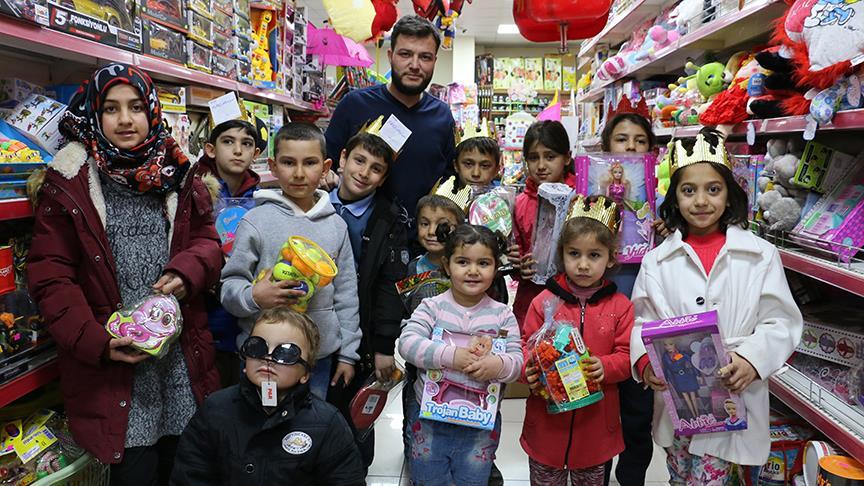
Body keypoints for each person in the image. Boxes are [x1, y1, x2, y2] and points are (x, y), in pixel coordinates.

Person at [26, 63, 222, 484]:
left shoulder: (179, 174)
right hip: (114, 369)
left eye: (135, 106)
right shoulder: (69, 183)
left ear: (152, 111)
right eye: (111, 109)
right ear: (94, 115)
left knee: (186, 467)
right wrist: (97, 342)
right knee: (134, 471)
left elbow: (207, 242)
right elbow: (50, 276)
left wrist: (187, 272)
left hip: (180, 361)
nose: (126, 119)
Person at [630, 127, 803, 484]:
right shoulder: (657, 261)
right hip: (680, 395)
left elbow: (780, 322)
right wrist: (645, 361)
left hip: (733, 393)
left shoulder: (760, 254)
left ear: (729, 194)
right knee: (680, 474)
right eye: (688, 190)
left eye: (713, 189)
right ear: (674, 198)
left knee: (714, 475)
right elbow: (640, 321)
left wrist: (752, 360)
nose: (701, 201)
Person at [220, 123, 361, 400]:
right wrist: (254, 296)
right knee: (258, 432)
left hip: (317, 358)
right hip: (262, 356)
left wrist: (348, 354)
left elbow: (346, 294)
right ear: (272, 166)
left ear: (325, 166)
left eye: (309, 163)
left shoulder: (336, 226)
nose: (298, 173)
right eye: (288, 162)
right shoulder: (255, 221)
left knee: (308, 433)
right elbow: (229, 285)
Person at [171, 307, 365, 485]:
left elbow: (346, 480)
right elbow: (190, 475)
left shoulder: (327, 423)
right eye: (257, 347)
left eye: (286, 353)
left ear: (306, 373)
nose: (268, 358)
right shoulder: (215, 410)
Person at [522, 195, 635, 486]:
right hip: (547, 427)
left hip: (595, 429)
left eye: (594, 255)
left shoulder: (620, 306)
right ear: (562, 254)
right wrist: (530, 369)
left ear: (610, 257)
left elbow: (627, 354)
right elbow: (524, 346)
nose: (583, 264)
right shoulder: (543, 301)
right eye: (574, 254)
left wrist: (605, 366)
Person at [399, 224, 523, 486]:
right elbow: (408, 344)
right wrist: (450, 356)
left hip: (479, 424)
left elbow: (516, 363)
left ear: (496, 268)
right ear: (447, 265)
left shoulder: (502, 315)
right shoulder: (431, 307)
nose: (473, 270)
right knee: (427, 478)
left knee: (473, 479)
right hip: (430, 419)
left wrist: (497, 365)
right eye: (463, 261)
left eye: (484, 263)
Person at [325, 129, 411, 470]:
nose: (363, 172)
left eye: (375, 168)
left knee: (356, 412)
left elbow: (391, 287)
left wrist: (383, 346)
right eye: (358, 161)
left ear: (384, 177)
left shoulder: (389, 219)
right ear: (342, 159)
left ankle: (354, 471)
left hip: (360, 332)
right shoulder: (314, 204)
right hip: (313, 325)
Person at [324, 15, 456, 220]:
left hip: (420, 243)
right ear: (390, 55)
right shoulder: (354, 105)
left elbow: (450, 182)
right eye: (405, 54)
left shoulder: (442, 116)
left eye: (425, 57)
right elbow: (325, 165)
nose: (414, 65)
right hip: (354, 239)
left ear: (434, 61)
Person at [600, 110, 658, 486]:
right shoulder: (590, 188)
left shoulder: (658, 193)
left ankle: (633, 476)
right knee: (602, 407)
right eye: (622, 139)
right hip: (603, 311)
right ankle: (597, 474)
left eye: (639, 140)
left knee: (638, 408)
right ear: (607, 148)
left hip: (640, 315)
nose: (631, 147)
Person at [196, 117, 263, 387]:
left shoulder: (261, 200)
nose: (237, 150)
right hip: (204, 310)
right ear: (210, 149)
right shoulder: (195, 191)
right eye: (228, 142)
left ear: (256, 154)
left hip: (246, 313)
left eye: (246, 144)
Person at [511, 120, 576, 332]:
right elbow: (515, 252)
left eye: (550, 156)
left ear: (566, 158)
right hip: (531, 298)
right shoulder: (520, 203)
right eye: (533, 157)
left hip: (573, 296)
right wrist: (518, 265)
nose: (540, 166)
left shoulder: (580, 198)